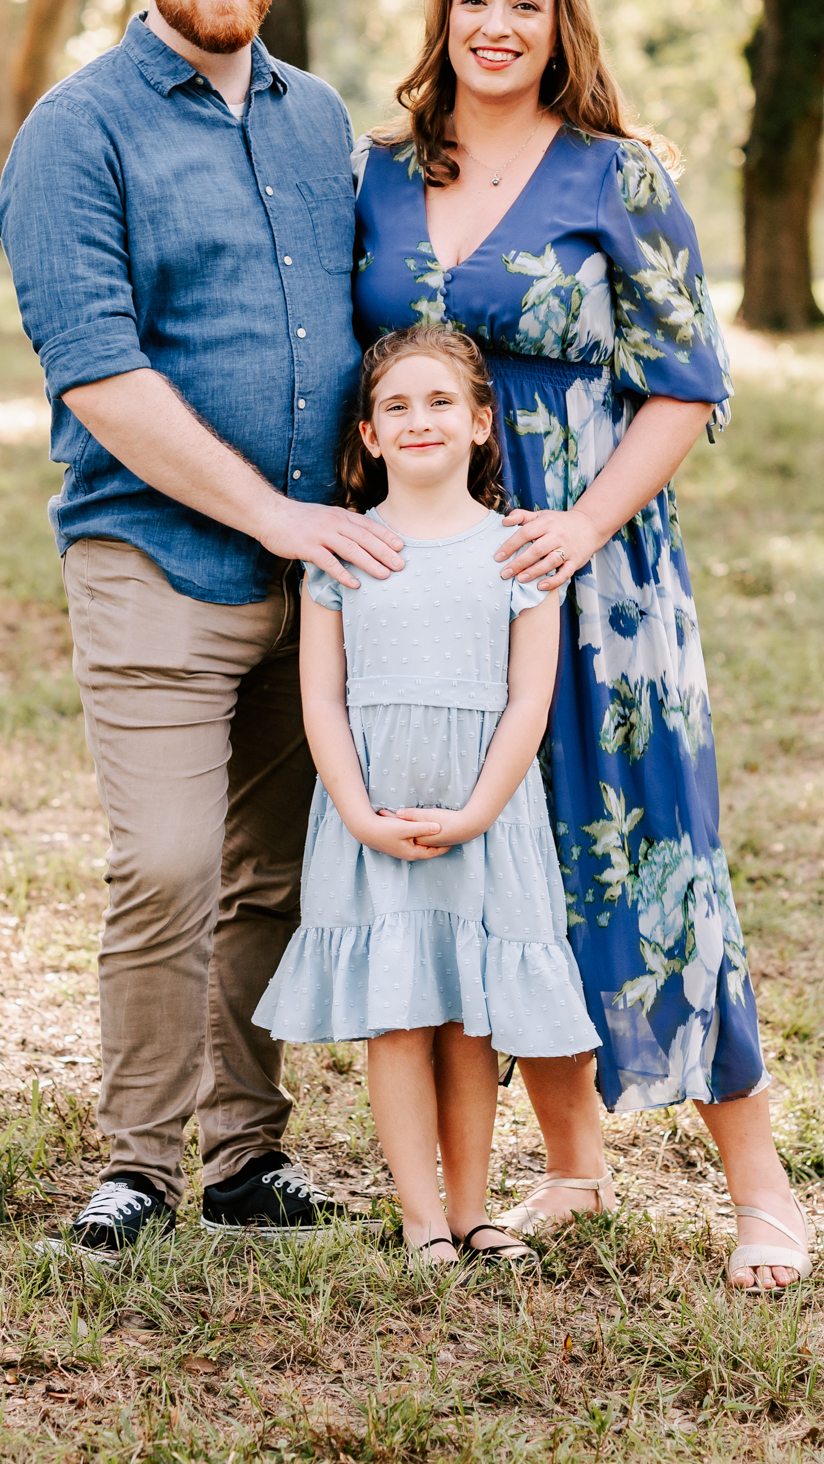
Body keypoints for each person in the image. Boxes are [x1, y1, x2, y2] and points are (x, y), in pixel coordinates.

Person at [349, 0, 811, 1292]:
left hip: (590, 568)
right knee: (507, 862)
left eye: (526, 7)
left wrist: (580, 525)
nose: (497, 25)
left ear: (561, 31)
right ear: (440, 20)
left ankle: (758, 1188)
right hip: (436, 577)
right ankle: (569, 1167)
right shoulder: (374, 178)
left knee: (646, 847)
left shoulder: (621, 176)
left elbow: (686, 382)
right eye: (474, 0)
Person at [0, 0, 405, 1249]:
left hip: (316, 575)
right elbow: (99, 374)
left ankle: (243, 1159)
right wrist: (276, 512)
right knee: (164, 865)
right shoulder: (77, 130)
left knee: (272, 875)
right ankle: (136, 1166)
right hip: (153, 562)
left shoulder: (313, 119)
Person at [254, 326, 601, 1267]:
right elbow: (321, 699)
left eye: (441, 402)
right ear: (367, 435)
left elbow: (529, 701)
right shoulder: (343, 552)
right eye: (395, 407)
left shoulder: (520, 552)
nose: (419, 421)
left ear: (483, 423)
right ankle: (418, 1220)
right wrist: (361, 813)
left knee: (469, 1015)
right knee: (398, 1015)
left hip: (484, 815)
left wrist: (479, 811)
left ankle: (474, 1212)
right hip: (373, 810)